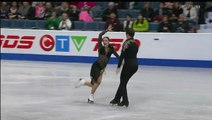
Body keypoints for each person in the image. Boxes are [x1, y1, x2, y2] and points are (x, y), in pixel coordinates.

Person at [75, 25, 120, 103]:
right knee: (96, 83)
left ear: (109, 42)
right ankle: (91, 96)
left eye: (106, 40)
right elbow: (100, 35)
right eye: (104, 40)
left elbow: (117, 56)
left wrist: (122, 61)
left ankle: (83, 82)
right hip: (96, 66)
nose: (104, 41)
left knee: (95, 83)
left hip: (102, 68)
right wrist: (107, 30)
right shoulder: (100, 47)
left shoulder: (111, 49)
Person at [110, 28, 139, 107]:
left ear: (127, 35)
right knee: (123, 82)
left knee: (123, 82)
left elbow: (122, 56)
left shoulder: (126, 43)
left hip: (128, 65)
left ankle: (125, 101)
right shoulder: (135, 43)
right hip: (135, 65)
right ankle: (116, 99)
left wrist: (118, 66)